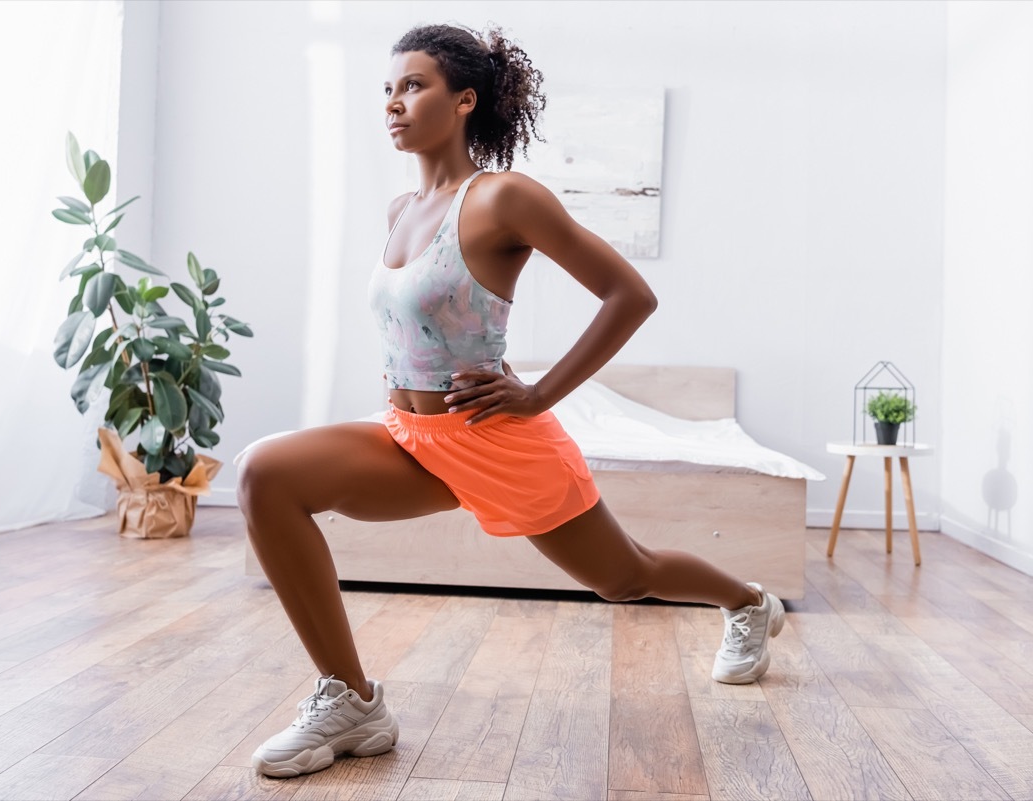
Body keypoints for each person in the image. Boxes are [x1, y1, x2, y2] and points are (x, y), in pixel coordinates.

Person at [236, 22, 785, 779]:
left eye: (414, 85)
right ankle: (354, 701)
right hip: (409, 436)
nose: (394, 103)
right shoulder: (399, 210)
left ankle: (747, 600)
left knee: (624, 577)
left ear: (465, 100)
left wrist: (537, 394)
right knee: (265, 473)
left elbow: (631, 295)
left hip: (494, 436)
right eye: (388, 89)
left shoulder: (504, 198)